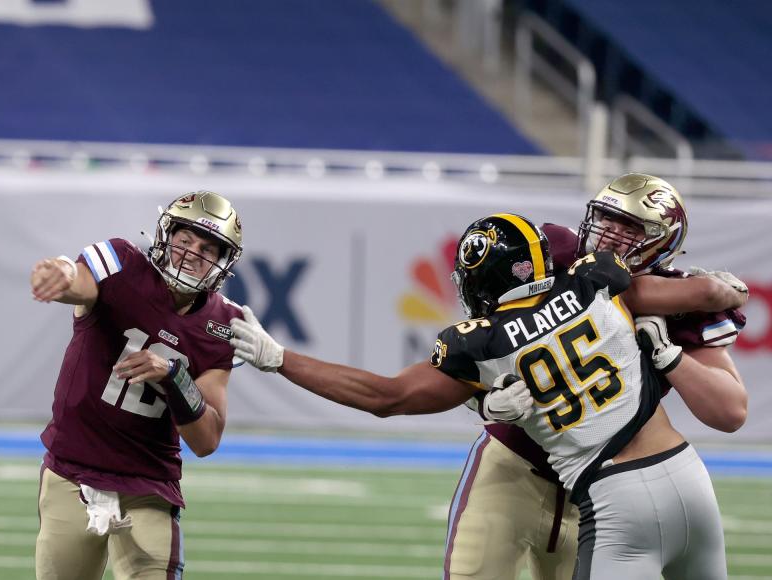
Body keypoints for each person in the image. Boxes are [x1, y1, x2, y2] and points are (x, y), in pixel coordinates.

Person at [230, 212, 740, 579]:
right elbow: (676, 293)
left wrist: (279, 358)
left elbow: (386, 397)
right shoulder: (597, 279)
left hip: (608, 493)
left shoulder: (477, 341)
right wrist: (721, 291)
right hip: (685, 472)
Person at [442, 173, 749, 580]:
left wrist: (670, 354)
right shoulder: (555, 255)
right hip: (511, 467)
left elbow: (731, 411)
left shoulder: (681, 309)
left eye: (629, 227)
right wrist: (480, 399)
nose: (609, 234)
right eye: (605, 219)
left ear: (664, 239)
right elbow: (477, 343)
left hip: (600, 495)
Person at [31, 190, 244, 580]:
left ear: (222, 262)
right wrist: (61, 272)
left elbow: (207, 439)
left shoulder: (223, 324)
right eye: (185, 240)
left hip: (148, 484)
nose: (193, 253)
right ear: (165, 236)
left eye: (208, 248)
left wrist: (174, 376)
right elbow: (79, 281)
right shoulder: (123, 263)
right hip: (71, 471)